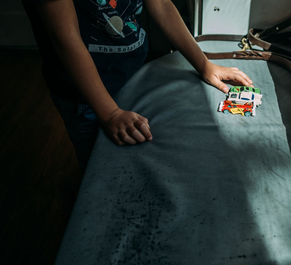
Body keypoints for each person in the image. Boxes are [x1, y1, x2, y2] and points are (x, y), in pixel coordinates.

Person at [26, 0, 253, 168]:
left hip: (134, 76)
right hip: (86, 98)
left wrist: (204, 64)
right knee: (99, 167)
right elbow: (66, 39)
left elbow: (162, 4)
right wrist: (111, 113)